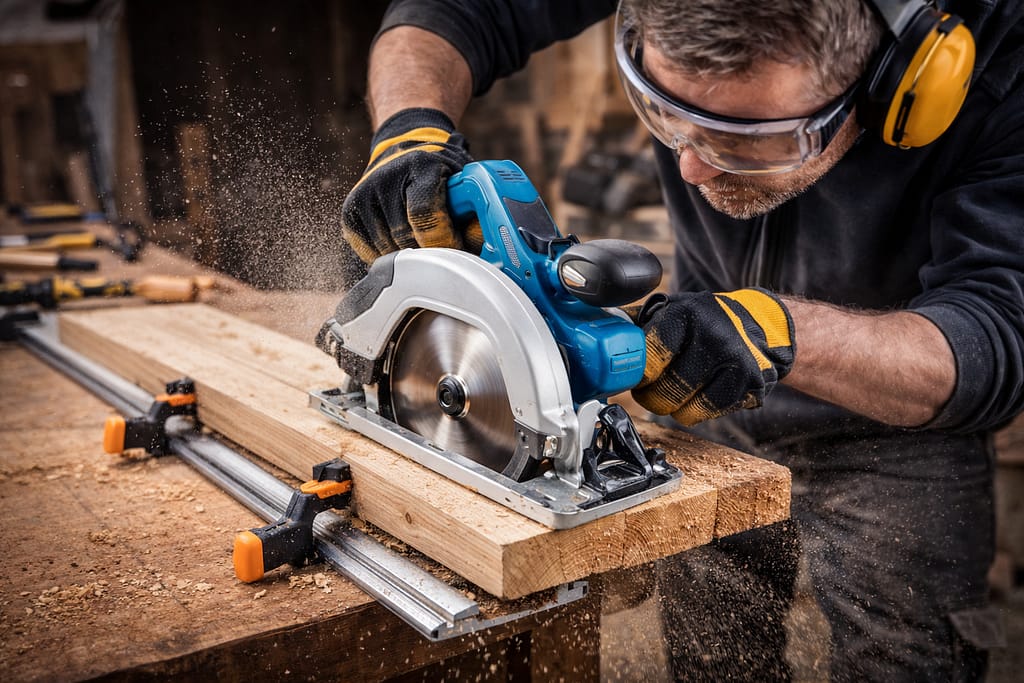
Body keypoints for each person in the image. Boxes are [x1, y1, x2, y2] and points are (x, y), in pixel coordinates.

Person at [339, 0, 1023, 679]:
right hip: (703, 386)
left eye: (744, 139)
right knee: (711, 655)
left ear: (901, 87)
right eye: (665, 111)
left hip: (895, 423)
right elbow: (450, 10)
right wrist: (408, 127)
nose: (692, 170)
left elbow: (995, 331)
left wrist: (782, 332)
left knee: (900, 662)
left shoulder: (1003, 54)